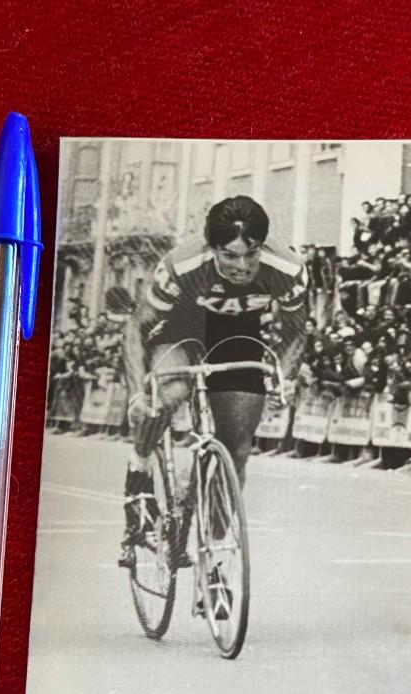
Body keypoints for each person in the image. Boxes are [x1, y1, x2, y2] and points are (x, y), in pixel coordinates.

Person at [118, 196, 307, 591]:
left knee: (236, 449)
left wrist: (282, 377)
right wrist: (138, 395)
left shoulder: (287, 268)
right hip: (180, 331)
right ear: (211, 247)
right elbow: (136, 326)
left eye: (250, 254)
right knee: (169, 394)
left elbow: (295, 329)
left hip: (238, 336)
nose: (241, 266)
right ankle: (139, 471)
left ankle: (217, 558)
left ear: (262, 245)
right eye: (229, 255)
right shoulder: (182, 264)